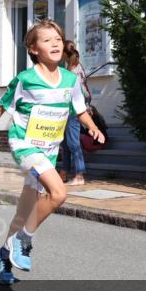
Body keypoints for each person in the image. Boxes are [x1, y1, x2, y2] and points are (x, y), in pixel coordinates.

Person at [0, 19, 105, 285]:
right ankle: (23, 241)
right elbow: (0, 107)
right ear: (33, 49)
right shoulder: (26, 80)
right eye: (47, 40)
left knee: (25, 209)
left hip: (49, 150)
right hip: (24, 144)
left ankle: (4, 254)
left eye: (58, 39)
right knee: (59, 193)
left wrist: (92, 126)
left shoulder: (69, 79)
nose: (54, 43)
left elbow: (79, 109)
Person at [58, 41, 91, 186]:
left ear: (65, 53)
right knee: (65, 143)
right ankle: (64, 173)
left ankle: (79, 175)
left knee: (73, 143)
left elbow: (78, 93)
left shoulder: (74, 70)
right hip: (67, 110)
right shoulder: (71, 67)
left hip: (74, 110)